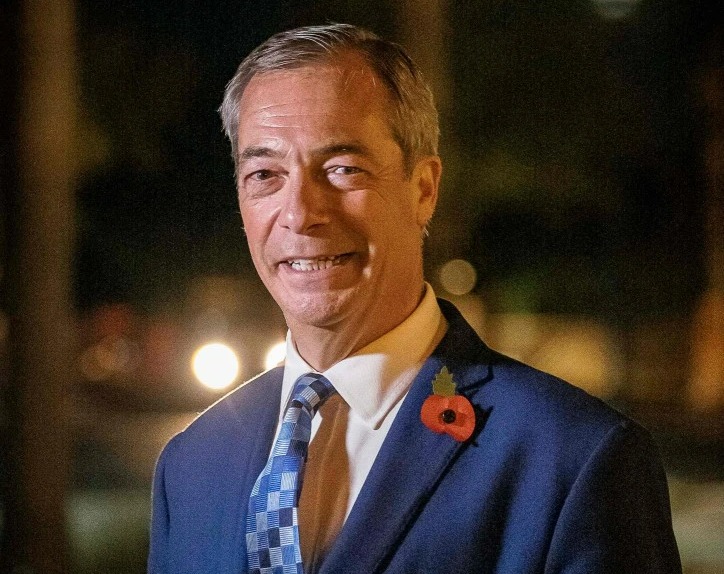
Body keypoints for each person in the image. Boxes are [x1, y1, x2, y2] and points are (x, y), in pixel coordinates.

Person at [148, 24, 681, 574]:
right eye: (265, 174)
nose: (301, 212)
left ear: (423, 189)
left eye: (343, 169)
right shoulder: (190, 467)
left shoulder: (575, 460)